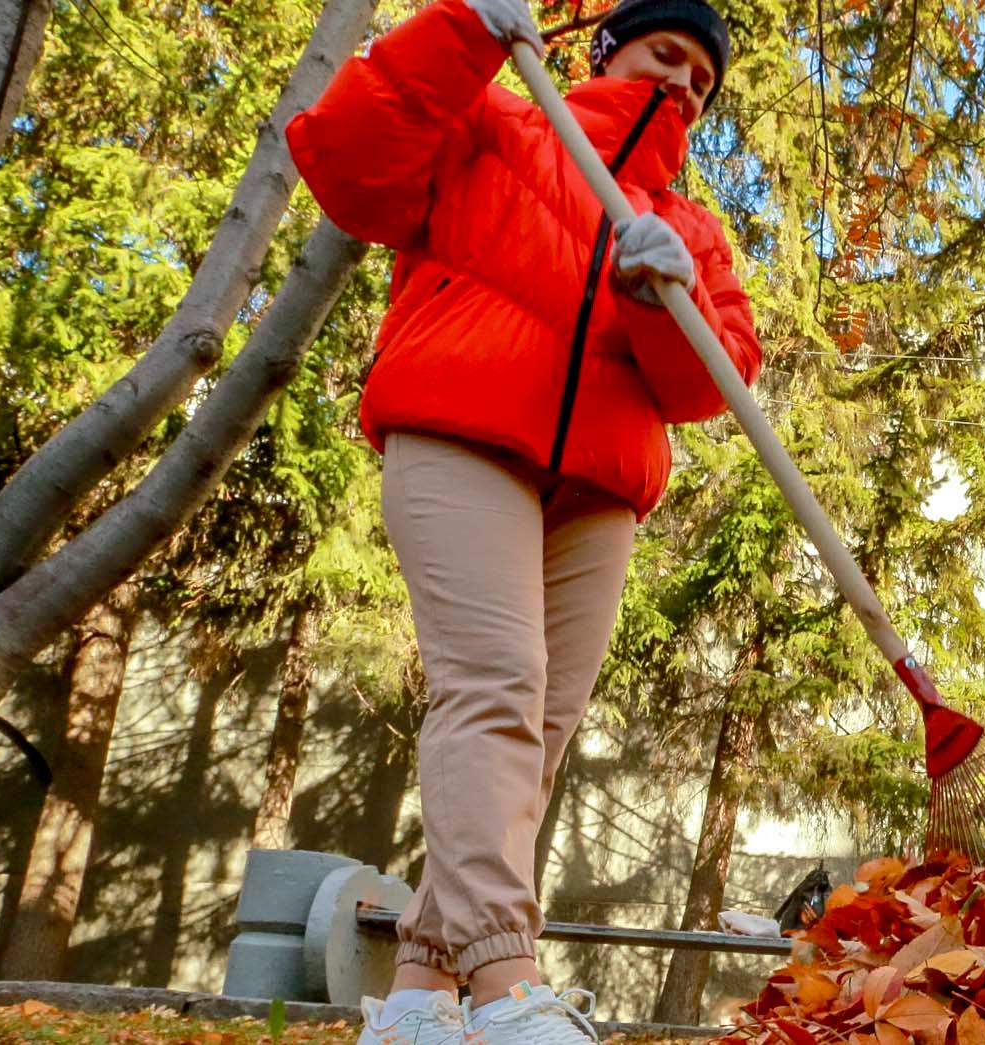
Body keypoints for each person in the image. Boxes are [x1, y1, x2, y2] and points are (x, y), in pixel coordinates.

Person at [284, 0, 760, 1040]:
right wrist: (456, 29)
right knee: (494, 686)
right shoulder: (495, 123)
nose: (684, 85)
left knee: (534, 740)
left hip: (599, 487)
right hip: (462, 434)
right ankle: (505, 988)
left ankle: (418, 1000)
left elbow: (707, 383)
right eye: (667, 55)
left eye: (703, 80)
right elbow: (349, 163)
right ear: (607, 50)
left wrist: (661, 298)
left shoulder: (689, 230)